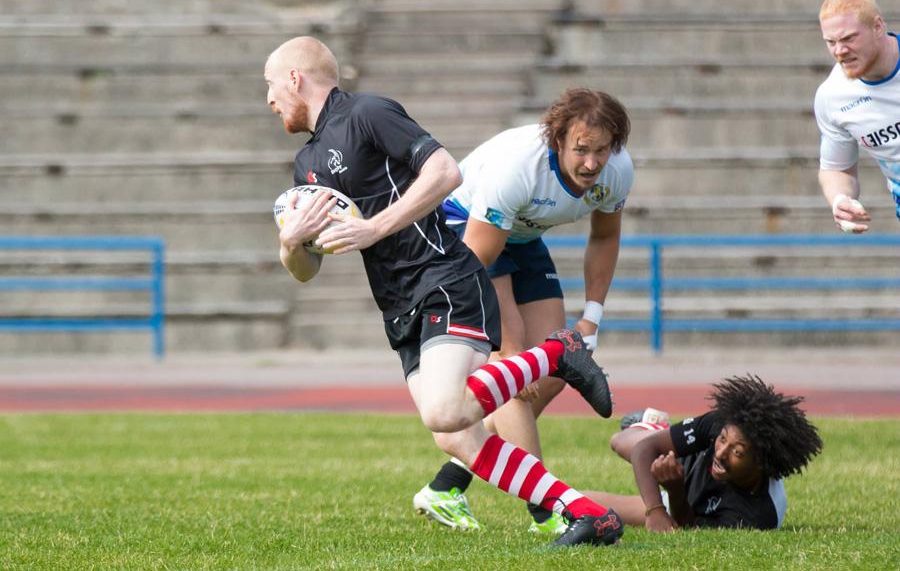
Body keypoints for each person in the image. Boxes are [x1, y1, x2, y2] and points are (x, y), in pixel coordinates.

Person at [265, 36, 622, 547]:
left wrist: (375, 228)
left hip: (443, 277)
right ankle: (586, 513)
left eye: (271, 85)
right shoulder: (307, 167)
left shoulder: (367, 113)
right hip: (400, 306)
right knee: (454, 435)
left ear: (295, 77)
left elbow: (445, 171)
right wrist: (288, 244)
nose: (270, 99)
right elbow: (305, 272)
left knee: (445, 409)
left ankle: (555, 354)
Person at [411, 88, 633, 534]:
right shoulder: (518, 169)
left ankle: (447, 485)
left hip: (523, 237)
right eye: (581, 150)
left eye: (601, 151)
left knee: (553, 368)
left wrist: (592, 318)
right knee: (513, 372)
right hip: (465, 230)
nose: (592, 163)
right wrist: (505, 351)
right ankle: (547, 512)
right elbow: (476, 263)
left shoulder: (618, 172)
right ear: (558, 142)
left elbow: (605, 238)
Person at [582, 375, 822, 531]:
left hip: (685, 495)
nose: (721, 453)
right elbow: (644, 450)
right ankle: (654, 429)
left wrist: (675, 491)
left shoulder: (756, 517)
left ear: (761, 463)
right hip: (688, 462)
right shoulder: (723, 423)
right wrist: (654, 510)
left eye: (737, 451)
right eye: (722, 440)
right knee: (620, 440)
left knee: (579, 504)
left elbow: (689, 528)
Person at [814, 0, 900, 233]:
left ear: (878, 27)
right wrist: (841, 200)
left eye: (849, 38)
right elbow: (836, 168)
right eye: (831, 42)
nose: (839, 51)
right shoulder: (833, 97)